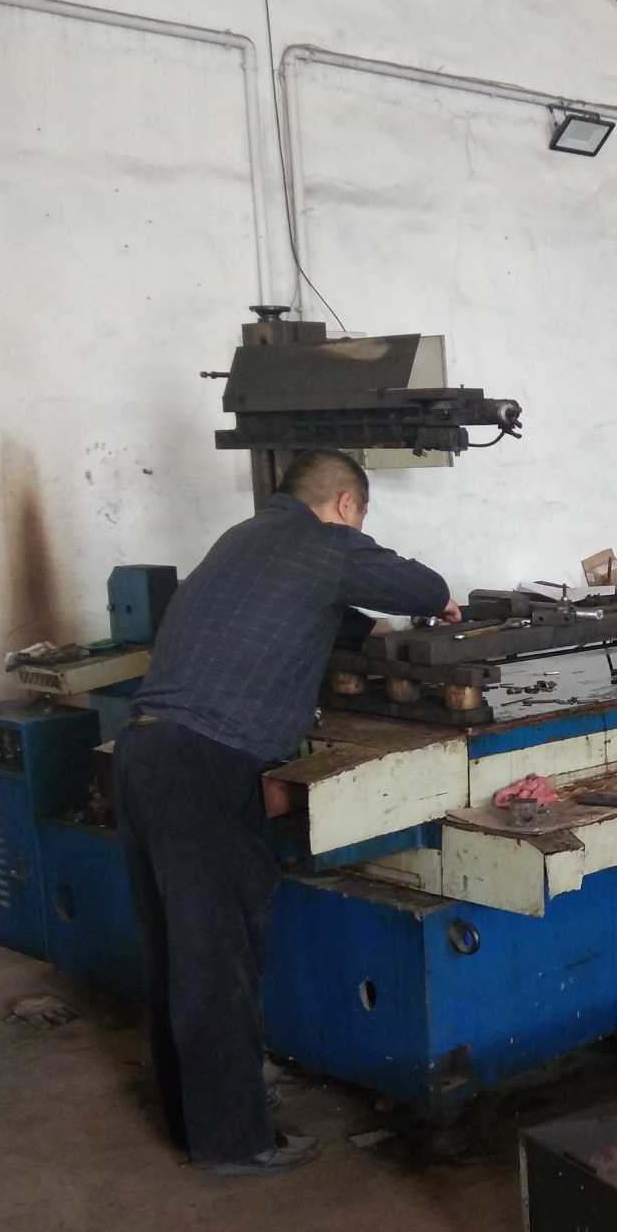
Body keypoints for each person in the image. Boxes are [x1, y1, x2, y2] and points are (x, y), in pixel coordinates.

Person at [114, 449, 460, 1175]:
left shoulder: (242, 540)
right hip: (206, 767)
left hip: (145, 755)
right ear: (345, 506)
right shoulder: (325, 542)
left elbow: (303, 611)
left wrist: (368, 634)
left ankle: (197, 1122)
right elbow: (424, 586)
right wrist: (439, 606)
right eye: (358, 516)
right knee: (219, 957)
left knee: (179, 953)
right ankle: (235, 1142)